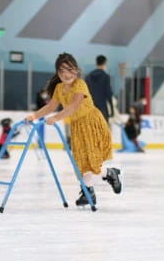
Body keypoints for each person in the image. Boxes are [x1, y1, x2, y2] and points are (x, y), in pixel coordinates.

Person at [25, 53, 121, 206]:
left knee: (92, 161)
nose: (66, 74)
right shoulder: (59, 88)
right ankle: (88, 190)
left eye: (69, 70)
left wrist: (56, 118)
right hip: (77, 126)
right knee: (81, 161)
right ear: (58, 73)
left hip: (91, 123)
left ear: (76, 70)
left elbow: (73, 106)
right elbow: (51, 106)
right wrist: (34, 116)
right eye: (62, 71)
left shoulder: (80, 84)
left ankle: (110, 173)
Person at [85, 55, 114, 123]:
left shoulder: (88, 77)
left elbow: (84, 93)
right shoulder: (105, 77)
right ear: (105, 63)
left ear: (96, 63)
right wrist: (112, 109)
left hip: (90, 109)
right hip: (102, 109)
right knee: (103, 131)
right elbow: (108, 94)